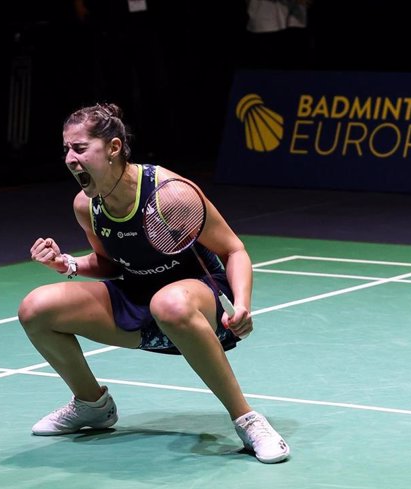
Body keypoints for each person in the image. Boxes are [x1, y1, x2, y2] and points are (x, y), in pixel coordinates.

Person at [17, 103, 290, 464]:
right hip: (139, 296)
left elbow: (233, 249)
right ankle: (91, 405)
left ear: (113, 148)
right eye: (66, 149)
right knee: (35, 308)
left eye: (80, 148)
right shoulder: (87, 204)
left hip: (195, 299)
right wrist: (66, 263)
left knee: (170, 303)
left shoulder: (168, 195)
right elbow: (108, 263)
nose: (70, 158)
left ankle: (247, 419)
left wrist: (241, 304)